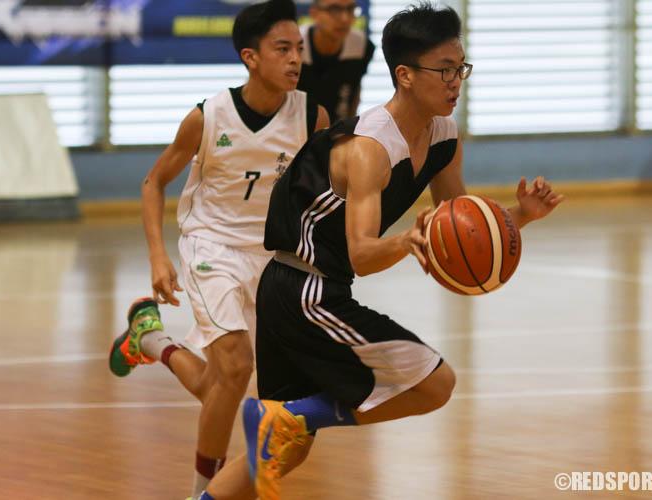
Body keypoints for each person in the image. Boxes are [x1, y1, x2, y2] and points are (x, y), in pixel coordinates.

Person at [199, 3, 564, 500]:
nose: (457, 81)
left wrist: (517, 217)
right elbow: (364, 254)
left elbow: (461, 222)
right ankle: (292, 417)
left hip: (299, 289)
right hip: (305, 290)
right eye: (445, 71)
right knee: (435, 384)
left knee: (285, 448)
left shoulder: (443, 136)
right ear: (405, 75)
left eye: (462, 68)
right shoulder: (369, 148)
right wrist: (406, 242)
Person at [107, 0, 329, 497]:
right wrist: (159, 257)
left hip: (272, 259)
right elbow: (153, 181)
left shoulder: (311, 116)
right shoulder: (209, 117)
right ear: (250, 57)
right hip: (212, 248)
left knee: (219, 385)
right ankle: (202, 493)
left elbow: (322, 192)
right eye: (282, 49)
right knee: (236, 368)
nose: (295, 58)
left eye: (298, 48)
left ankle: (150, 340)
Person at [297, 0, 375, 121]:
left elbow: (354, 91)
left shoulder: (362, 45)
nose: (345, 18)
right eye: (334, 10)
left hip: (337, 130)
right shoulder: (295, 45)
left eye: (350, 9)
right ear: (314, 13)